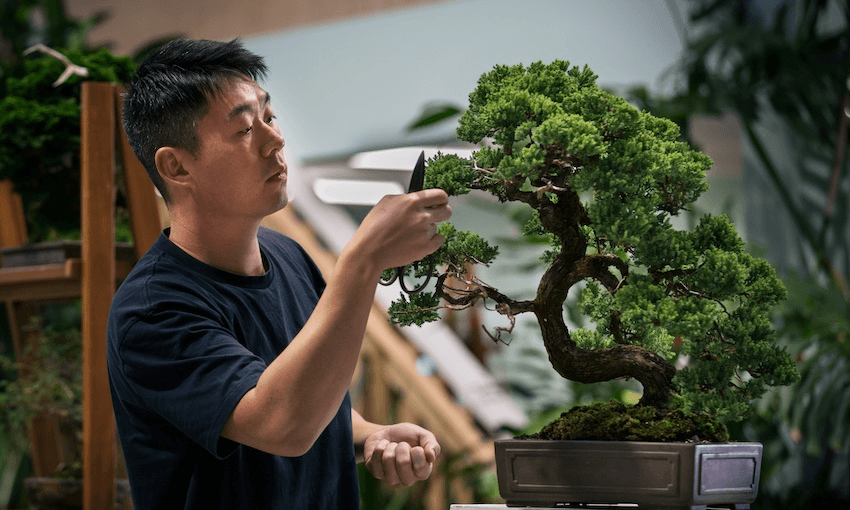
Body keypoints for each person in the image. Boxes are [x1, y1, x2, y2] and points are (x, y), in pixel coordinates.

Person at [107, 37, 450, 509]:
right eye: (246, 129)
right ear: (176, 166)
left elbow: (305, 392)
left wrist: (367, 434)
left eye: (269, 117)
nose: (276, 139)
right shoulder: (152, 311)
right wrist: (362, 261)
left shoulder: (288, 255)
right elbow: (278, 424)